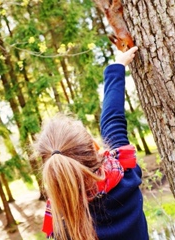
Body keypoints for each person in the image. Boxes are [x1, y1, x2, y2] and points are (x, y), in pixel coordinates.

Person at [34, 46, 149, 240]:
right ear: (94, 147)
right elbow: (112, 119)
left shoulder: (60, 223)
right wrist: (117, 65)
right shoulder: (124, 173)